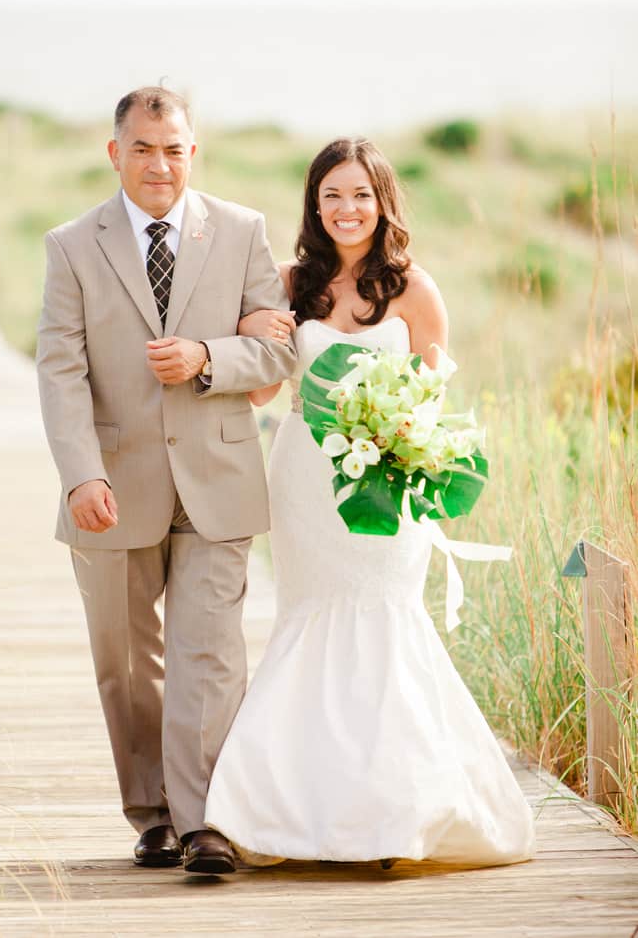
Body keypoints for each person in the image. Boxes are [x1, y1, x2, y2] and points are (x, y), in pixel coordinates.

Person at [204, 137, 535, 867]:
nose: (346, 209)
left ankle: (396, 818)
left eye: (360, 195)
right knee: (311, 621)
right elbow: (262, 390)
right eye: (332, 196)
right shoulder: (290, 282)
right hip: (305, 481)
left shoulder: (415, 289)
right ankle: (290, 811)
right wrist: (253, 330)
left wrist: (392, 437)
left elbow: (431, 398)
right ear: (314, 206)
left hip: (391, 476)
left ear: (383, 201)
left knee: (386, 620)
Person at [36, 87, 297, 874]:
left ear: (194, 151)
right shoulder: (72, 245)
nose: (161, 163)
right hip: (111, 485)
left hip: (217, 475)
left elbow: (279, 352)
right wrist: (80, 473)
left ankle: (205, 821)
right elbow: (59, 370)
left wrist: (209, 358)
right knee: (126, 660)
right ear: (116, 153)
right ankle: (150, 811)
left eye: (175, 147)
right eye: (144, 148)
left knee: (210, 652)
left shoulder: (244, 231)